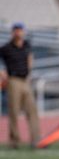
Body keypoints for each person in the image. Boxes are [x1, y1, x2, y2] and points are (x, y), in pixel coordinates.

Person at [0, 22, 41, 150]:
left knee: (32, 110)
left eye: (20, 30)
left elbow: (30, 56)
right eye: (16, 30)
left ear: (24, 31)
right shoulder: (7, 47)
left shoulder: (26, 45)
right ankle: (14, 141)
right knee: (14, 111)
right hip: (13, 81)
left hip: (25, 80)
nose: (18, 33)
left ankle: (36, 140)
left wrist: (29, 71)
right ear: (13, 32)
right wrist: (3, 74)